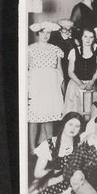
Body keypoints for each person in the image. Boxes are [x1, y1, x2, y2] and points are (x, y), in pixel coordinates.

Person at [28, 112, 84, 194]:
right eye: (70, 124)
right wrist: (55, 173)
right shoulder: (49, 144)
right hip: (50, 181)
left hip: (71, 186)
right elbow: (37, 173)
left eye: (77, 126)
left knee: (76, 182)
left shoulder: (80, 144)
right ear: (63, 124)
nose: (73, 128)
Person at [28, 22, 65, 152]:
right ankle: (32, 148)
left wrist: (62, 88)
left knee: (49, 118)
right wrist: (27, 89)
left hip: (51, 87)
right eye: (43, 32)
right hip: (36, 86)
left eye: (48, 32)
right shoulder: (30, 49)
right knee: (33, 118)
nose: (45, 35)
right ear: (38, 33)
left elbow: (59, 70)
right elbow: (26, 70)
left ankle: (49, 147)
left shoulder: (55, 49)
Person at [64, 28, 97, 116]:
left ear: (94, 39)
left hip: (90, 86)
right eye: (85, 36)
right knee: (74, 112)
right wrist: (80, 83)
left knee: (89, 112)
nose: (88, 39)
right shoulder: (74, 51)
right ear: (81, 37)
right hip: (75, 84)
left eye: (91, 37)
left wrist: (92, 82)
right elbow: (70, 71)